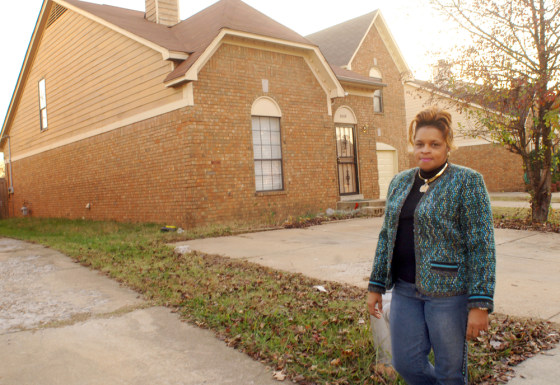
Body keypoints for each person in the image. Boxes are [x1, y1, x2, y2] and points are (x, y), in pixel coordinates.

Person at [366, 106, 496, 385]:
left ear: (448, 146)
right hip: (404, 290)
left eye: (434, 144)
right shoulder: (400, 182)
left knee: (451, 372)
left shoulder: (467, 182)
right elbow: (386, 236)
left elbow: (481, 245)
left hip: (449, 294)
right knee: (406, 363)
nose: (426, 150)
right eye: (420, 144)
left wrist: (480, 304)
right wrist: (376, 285)